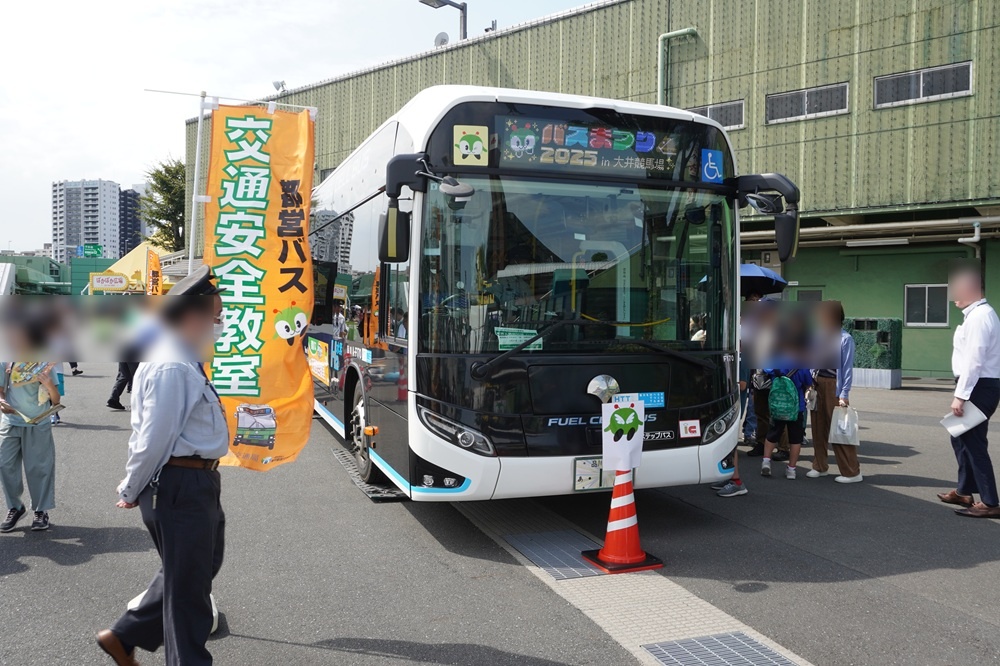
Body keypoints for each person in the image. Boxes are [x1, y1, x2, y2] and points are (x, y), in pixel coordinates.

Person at [97, 266, 230, 666]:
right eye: (216, 318)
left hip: (194, 480)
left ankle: (126, 634)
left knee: (199, 567)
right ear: (193, 317)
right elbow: (153, 438)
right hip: (179, 483)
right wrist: (131, 487)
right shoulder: (172, 364)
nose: (218, 326)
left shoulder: (183, 359)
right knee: (189, 595)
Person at [938, 267, 1000, 518]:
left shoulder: (980, 317)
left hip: (978, 385)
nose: (953, 294)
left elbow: (974, 360)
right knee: (960, 436)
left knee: (973, 443)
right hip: (977, 384)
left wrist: (961, 395)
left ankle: (990, 502)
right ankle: (965, 490)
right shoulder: (977, 314)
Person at [0, 359, 60, 533]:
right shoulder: (6, 362)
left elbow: (56, 400)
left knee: (39, 467)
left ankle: (41, 510)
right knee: (5, 464)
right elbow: (1, 391)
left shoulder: (45, 363)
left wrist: (48, 384)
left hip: (37, 421)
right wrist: (1, 401)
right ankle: (15, 507)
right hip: (11, 421)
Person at [808, 301, 861, 483]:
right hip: (817, 383)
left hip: (834, 386)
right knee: (818, 427)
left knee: (840, 428)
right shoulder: (818, 335)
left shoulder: (845, 339)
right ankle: (819, 466)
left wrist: (844, 394)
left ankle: (851, 472)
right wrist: (809, 381)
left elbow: (846, 369)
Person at [759, 367, 813, 480]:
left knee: (772, 434)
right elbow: (808, 383)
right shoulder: (801, 365)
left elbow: (765, 368)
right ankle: (791, 469)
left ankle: (766, 462)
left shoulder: (776, 361)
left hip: (777, 405)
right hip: (796, 408)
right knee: (795, 439)